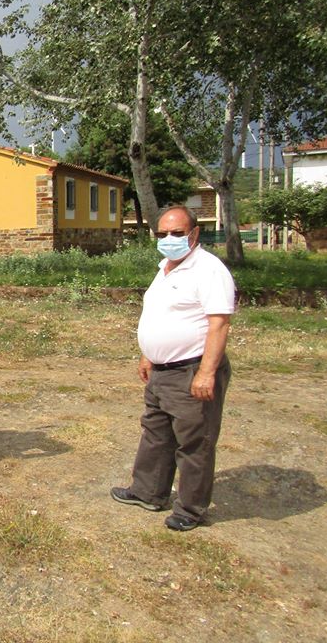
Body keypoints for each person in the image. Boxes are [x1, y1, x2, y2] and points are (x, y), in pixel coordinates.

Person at [111, 206, 235, 531]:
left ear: (194, 234)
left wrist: (207, 372)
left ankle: (191, 509)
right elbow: (159, 315)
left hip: (190, 370)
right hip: (160, 371)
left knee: (195, 440)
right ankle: (148, 491)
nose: (169, 239)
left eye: (177, 234)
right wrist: (148, 354)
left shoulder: (209, 270)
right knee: (156, 432)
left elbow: (219, 323)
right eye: (162, 234)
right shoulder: (165, 267)